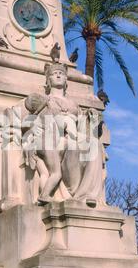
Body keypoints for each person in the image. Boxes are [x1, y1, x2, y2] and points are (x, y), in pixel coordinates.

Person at [21, 62, 107, 206]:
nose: (59, 75)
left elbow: (82, 127)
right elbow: (33, 122)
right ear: (48, 80)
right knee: (72, 146)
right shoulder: (44, 101)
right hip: (56, 140)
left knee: (95, 145)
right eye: (54, 74)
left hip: (73, 136)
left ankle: (88, 194)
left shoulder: (74, 105)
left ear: (66, 79)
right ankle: (73, 191)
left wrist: (91, 118)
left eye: (62, 73)